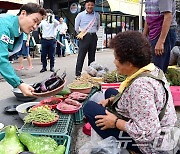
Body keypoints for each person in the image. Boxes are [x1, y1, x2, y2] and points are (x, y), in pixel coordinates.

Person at [83, 31, 177, 153]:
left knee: (89, 108)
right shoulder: (152, 69)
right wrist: (111, 100)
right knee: (110, 93)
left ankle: (134, 150)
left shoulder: (140, 88)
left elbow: (149, 133)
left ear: (129, 63)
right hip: (163, 129)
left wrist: (116, 122)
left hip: (153, 144)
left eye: (116, 58)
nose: (114, 62)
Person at [0, 3, 46, 96]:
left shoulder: (19, 31)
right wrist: (19, 84)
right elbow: (1, 58)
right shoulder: (3, 25)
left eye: (38, 24)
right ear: (23, 13)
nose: (35, 27)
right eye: (34, 21)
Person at [143, 0, 177, 73]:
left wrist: (161, 41)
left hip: (163, 33)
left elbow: (168, 16)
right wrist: (143, 37)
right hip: (153, 33)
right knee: (150, 67)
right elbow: (148, 17)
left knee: (157, 70)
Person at [75, 0, 100, 77]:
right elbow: (76, 27)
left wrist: (92, 32)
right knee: (81, 56)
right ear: (85, 5)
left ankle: (91, 74)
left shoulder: (97, 15)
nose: (90, 7)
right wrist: (82, 34)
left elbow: (98, 26)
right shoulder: (80, 15)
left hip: (93, 36)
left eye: (92, 5)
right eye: (88, 5)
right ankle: (78, 74)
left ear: (94, 6)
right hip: (84, 37)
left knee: (92, 56)